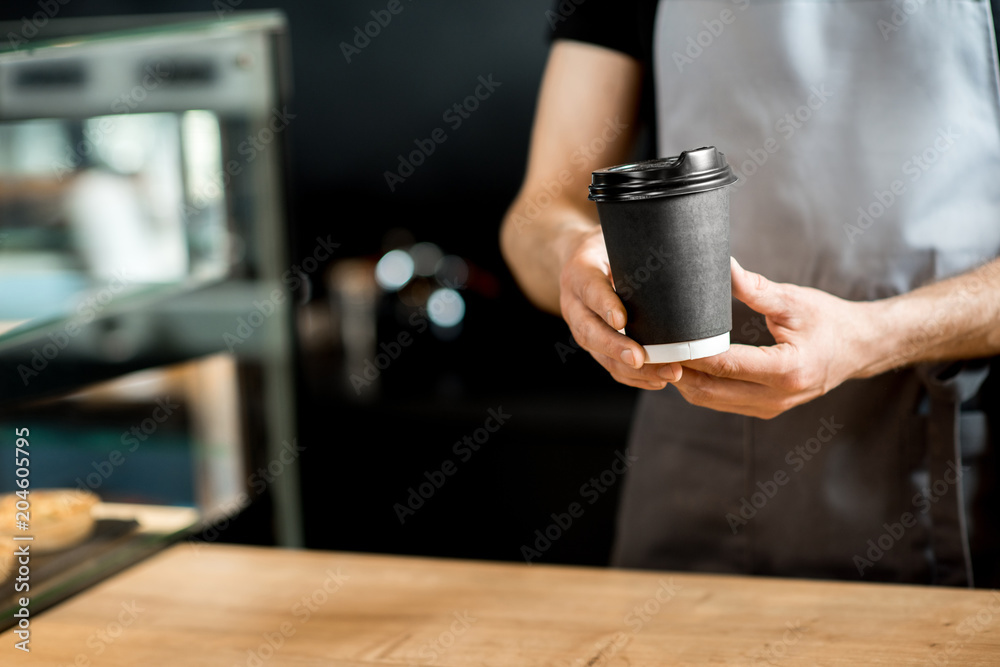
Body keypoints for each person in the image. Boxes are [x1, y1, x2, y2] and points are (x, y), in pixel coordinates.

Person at [501, 0, 1000, 587]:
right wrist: (570, 252)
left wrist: (872, 337)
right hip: (691, 453)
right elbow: (535, 219)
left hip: (934, 458)